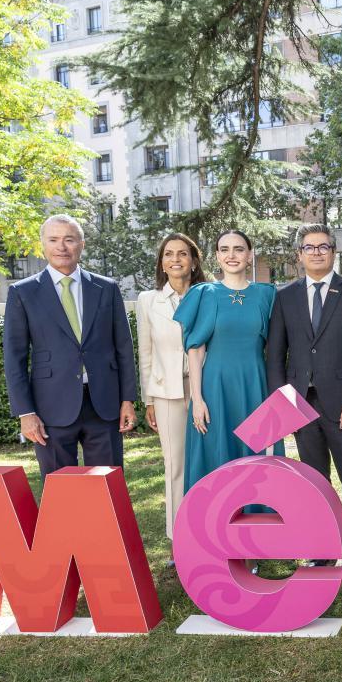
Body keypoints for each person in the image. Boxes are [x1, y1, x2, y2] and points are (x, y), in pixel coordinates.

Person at [267, 223, 342, 573]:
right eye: (309, 247)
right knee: (315, 484)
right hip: (302, 406)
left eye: (323, 246)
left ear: (333, 252)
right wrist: (284, 405)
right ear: (300, 255)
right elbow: (275, 356)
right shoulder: (284, 296)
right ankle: (323, 548)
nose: (316, 252)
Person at [3, 214, 137, 479]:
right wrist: (25, 412)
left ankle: (100, 524)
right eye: (53, 240)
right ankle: (62, 524)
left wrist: (127, 400)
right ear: (43, 245)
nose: (61, 247)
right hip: (49, 407)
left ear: (81, 244)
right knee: (58, 491)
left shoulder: (106, 288)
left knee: (106, 486)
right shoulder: (23, 292)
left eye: (69, 239)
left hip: (104, 404)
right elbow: (14, 356)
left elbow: (123, 347)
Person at [175, 229, 283, 503]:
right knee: (215, 455)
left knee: (257, 457)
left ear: (250, 255)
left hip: (256, 387)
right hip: (215, 390)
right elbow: (196, 352)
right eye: (224, 249)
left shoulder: (267, 295)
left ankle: (260, 529)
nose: (231, 255)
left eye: (238, 249)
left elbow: (278, 348)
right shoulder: (204, 294)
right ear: (217, 256)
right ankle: (212, 530)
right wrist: (197, 399)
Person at [137, 232, 207, 542]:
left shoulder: (209, 295)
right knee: (175, 464)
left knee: (208, 461)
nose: (175, 259)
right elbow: (145, 352)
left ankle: (212, 532)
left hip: (205, 389)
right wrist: (148, 399)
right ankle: (180, 538)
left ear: (193, 261)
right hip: (167, 393)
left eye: (182, 253)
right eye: (169, 254)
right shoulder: (148, 301)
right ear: (162, 263)